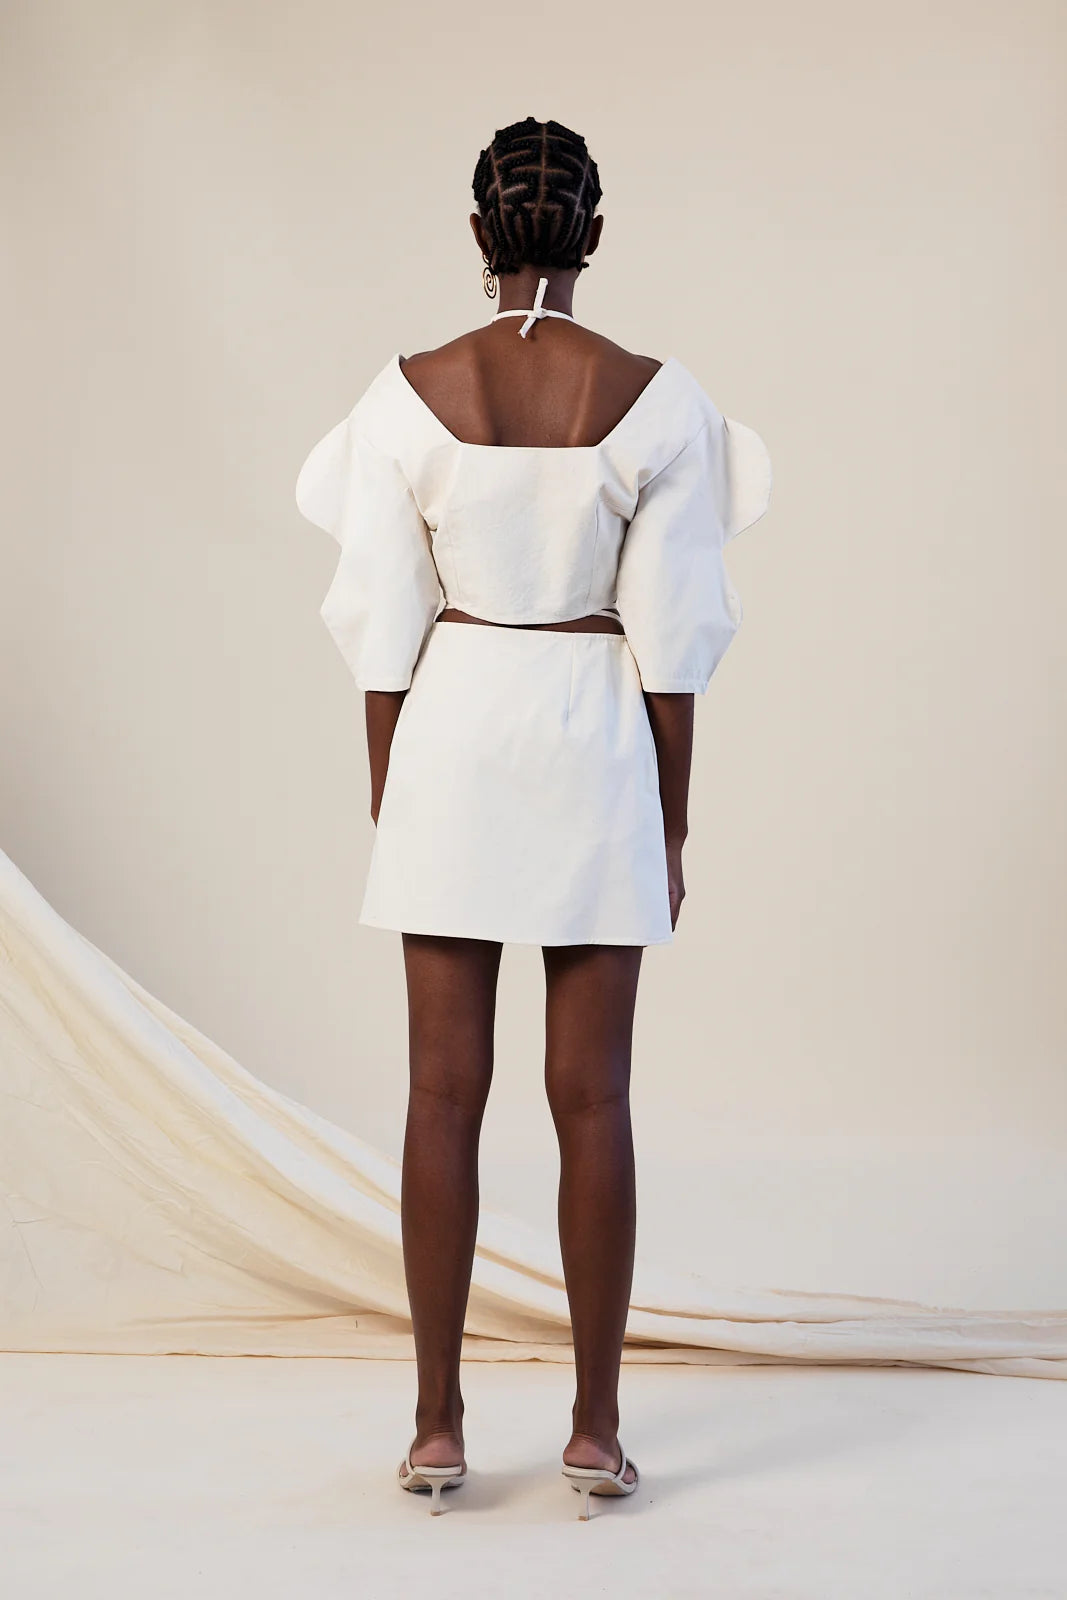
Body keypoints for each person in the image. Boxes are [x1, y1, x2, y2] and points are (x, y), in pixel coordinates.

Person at [295, 115, 772, 1519]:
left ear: (478, 233)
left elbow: (382, 630)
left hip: (449, 729)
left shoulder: (404, 396)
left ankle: (437, 1427)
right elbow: (674, 643)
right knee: (595, 1098)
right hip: (593, 728)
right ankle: (595, 1432)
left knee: (440, 1093)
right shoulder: (658, 401)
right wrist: (670, 820)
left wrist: (391, 792)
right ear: (595, 235)